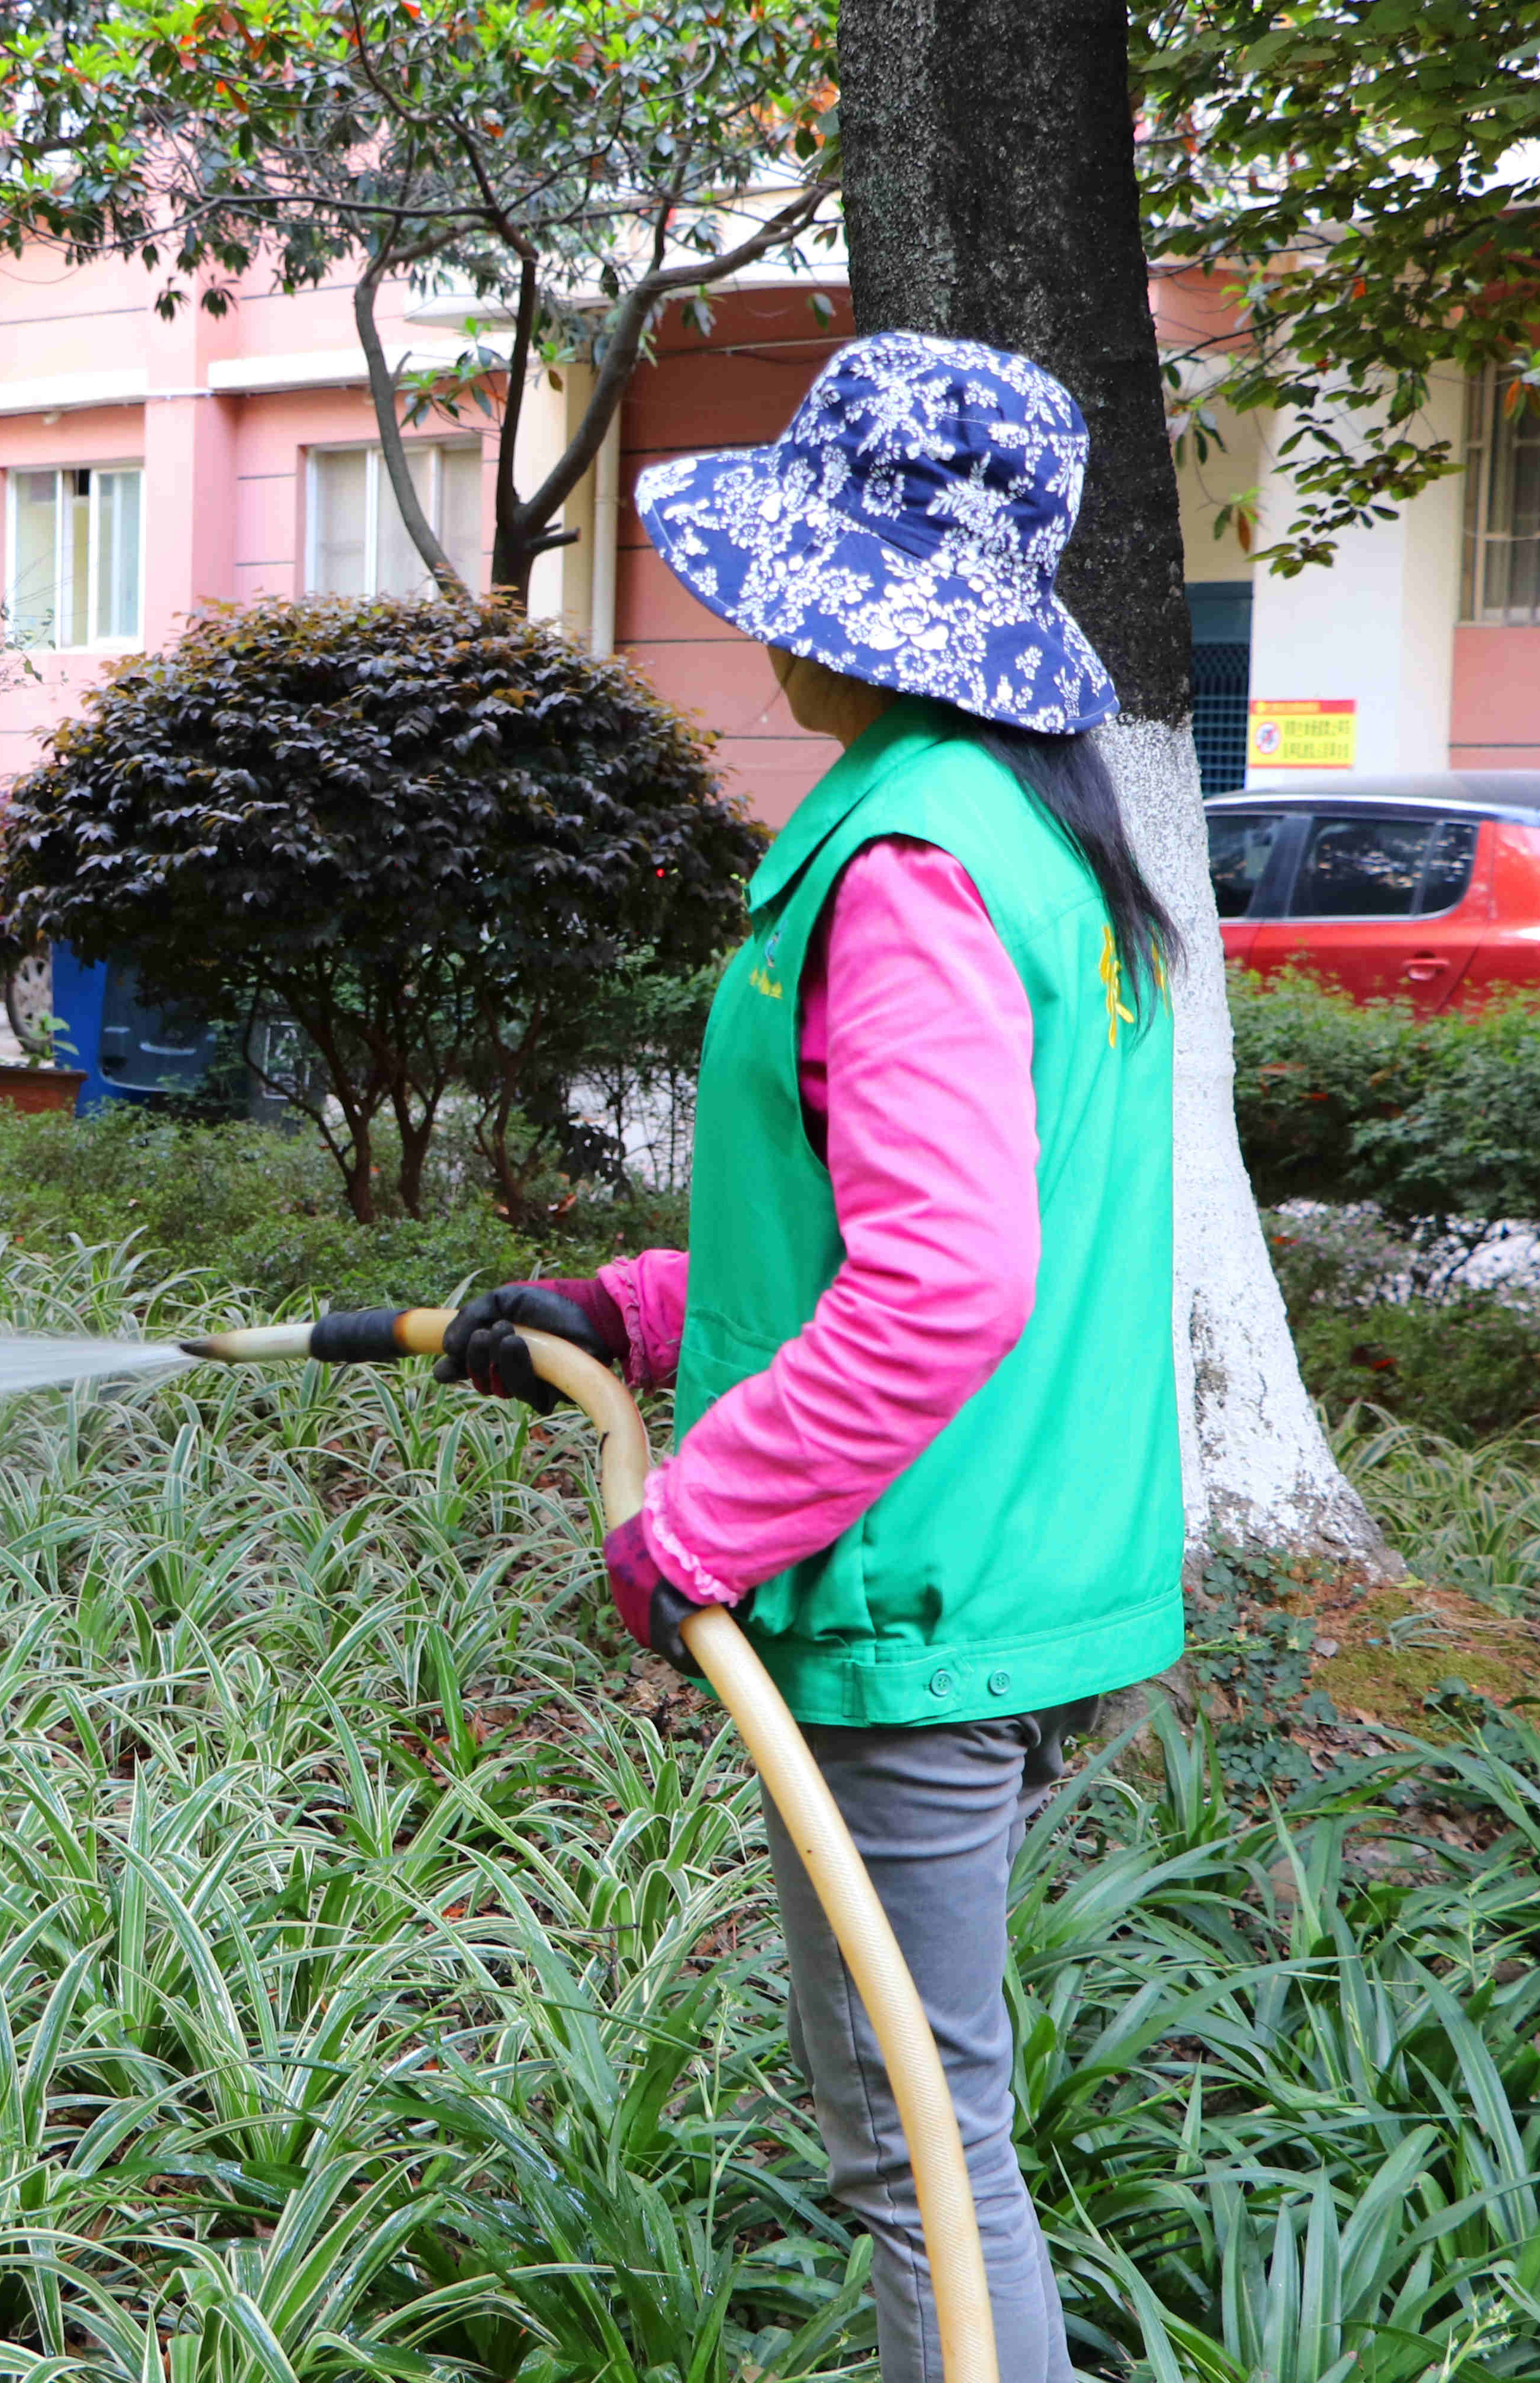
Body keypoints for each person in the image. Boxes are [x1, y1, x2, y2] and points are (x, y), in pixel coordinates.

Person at [433, 329, 1182, 2383]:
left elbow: (944, 1284)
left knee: (926, 2151)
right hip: (1026, 1570)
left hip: (914, 1595)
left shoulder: (915, 858)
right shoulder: (1028, 837)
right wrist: (639, 1312)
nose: (765, 614)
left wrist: (702, 1522)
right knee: (930, 2119)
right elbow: (889, 1213)